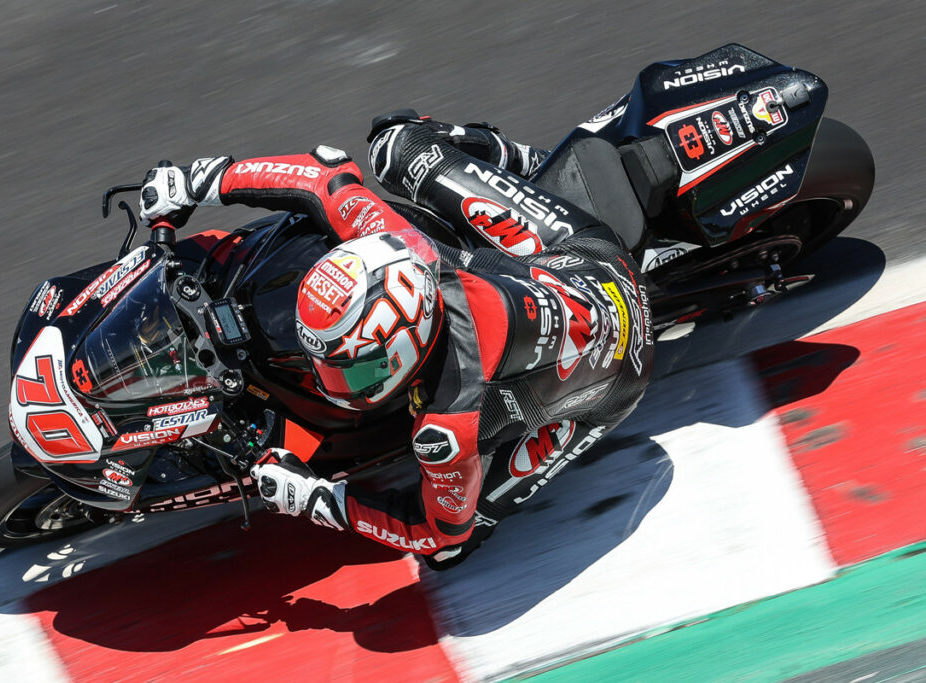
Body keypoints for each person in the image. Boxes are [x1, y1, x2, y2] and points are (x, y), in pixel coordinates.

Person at [138, 111, 654, 569]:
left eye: (350, 368)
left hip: (620, 371)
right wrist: (199, 181)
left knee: (456, 545)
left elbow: (432, 532)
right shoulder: (403, 248)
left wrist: (319, 500)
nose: (330, 379)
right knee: (396, 142)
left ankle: (514, 160)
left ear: (405, 346)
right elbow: (323, 179)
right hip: (579, 262)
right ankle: (518, 159)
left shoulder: (445, 430)